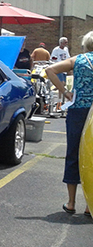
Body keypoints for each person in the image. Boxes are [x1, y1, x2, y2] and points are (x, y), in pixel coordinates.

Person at [45, 31, 93, 216]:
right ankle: (90, 204)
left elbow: (50, 70)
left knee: (74, 152)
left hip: (79, 109)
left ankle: (72, 202)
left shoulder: (78, 60)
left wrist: (65, 92)